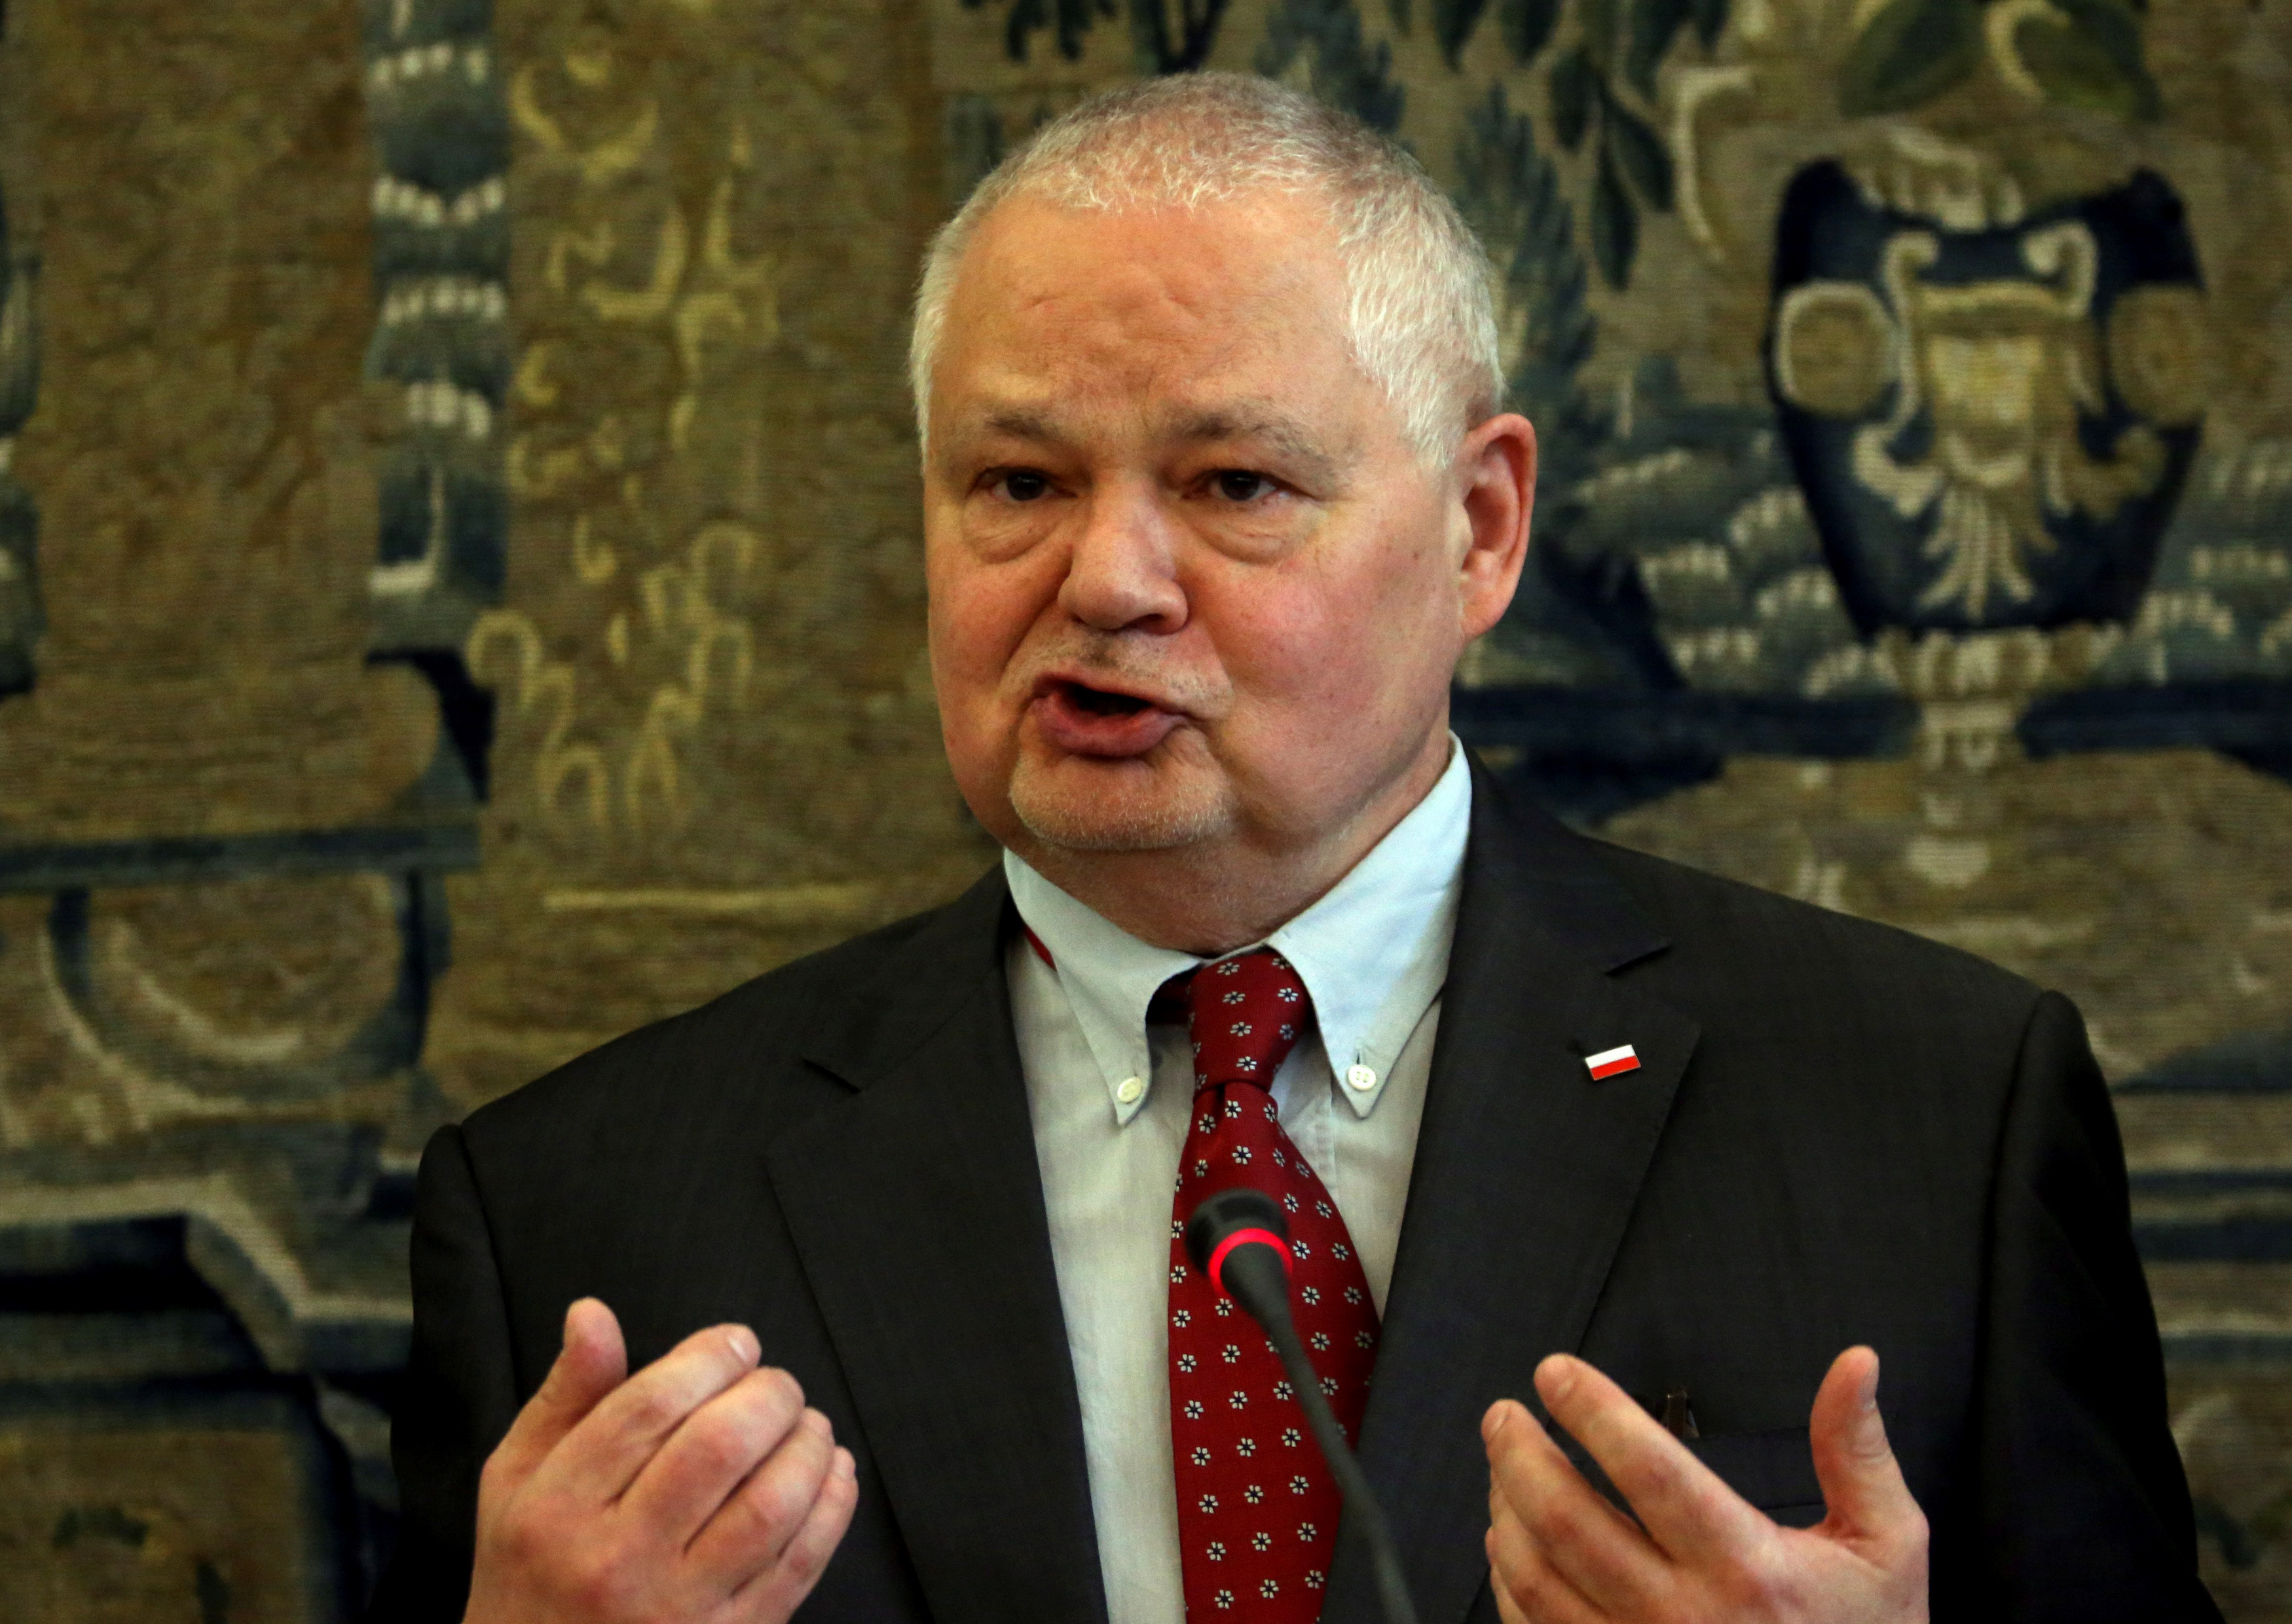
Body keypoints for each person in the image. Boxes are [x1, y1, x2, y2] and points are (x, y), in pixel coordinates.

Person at [369, 73, 2219, 1624]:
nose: (1102, 581)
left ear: (1480, 531)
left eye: (1232, 486)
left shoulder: (1923, 1113)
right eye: (1016, 485)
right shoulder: (585, 1228)